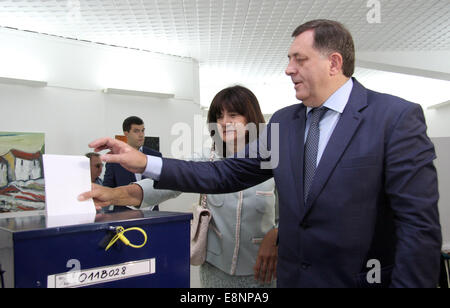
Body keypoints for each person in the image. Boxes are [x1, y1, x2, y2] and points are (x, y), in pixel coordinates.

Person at [81, 20, 442, 288]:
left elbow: (417, 227)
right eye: (289, 59)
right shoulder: (285, 122)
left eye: (299, 59)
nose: (288, 69)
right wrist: (144, 161)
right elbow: (223, 174)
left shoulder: (394, 118)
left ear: (333, 63)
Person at [81, 86, 279, 288]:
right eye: (219, 116)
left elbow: (295, 209)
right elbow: (169, 182)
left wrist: (275, 236)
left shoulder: (272, 159)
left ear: (251, 119)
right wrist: (114, 194)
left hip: (262, 268)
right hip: (216, 267)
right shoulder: (207, 157)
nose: (224, 122)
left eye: (233, 115)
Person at [103, 116, 162, 211]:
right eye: (136, 131)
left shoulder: (155, 156)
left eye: (143, 130)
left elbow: (161, 184)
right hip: (124, 215)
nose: (141, 135)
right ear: (126, 133)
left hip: (151, 215)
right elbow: (108, 187)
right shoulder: (115, 158)